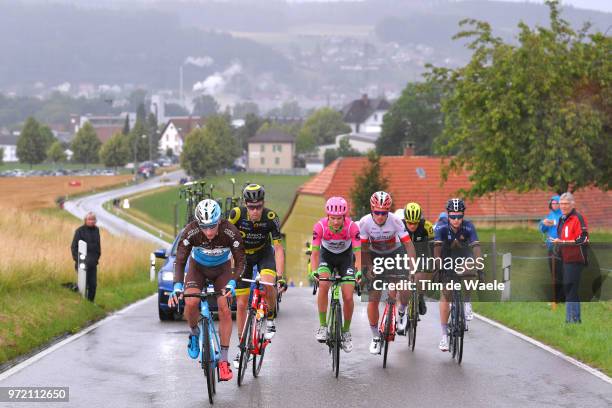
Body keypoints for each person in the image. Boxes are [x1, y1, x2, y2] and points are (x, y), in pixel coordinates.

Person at [169, 199, 245, 381]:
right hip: (198, 269)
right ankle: (194, 333)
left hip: (222, 270)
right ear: (198, 224)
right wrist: (178, 286)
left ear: (219, 221)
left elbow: (241, 260)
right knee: (191, 301)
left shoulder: (229, 231)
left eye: (212, 226)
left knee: (225, 309)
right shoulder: (191, 231)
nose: (209, 232)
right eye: (205, 227)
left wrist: (233, 283)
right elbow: (179, 261)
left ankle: (224, 361)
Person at [228, 184, 285, 368]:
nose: (255, 211)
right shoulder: (236, 215)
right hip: (242, 256)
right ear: (245, 204)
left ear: (263, 204)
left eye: (258, 206)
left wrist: (280, 276)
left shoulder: (271, 218)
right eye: (251, 207)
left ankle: (270, 318)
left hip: (263, 254)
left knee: (268, 283)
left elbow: (278, 249)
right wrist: (229, 275)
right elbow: (228, 245)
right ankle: (242, 347)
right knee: (242, 303)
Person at [360, 191, 416, 354]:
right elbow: (363, 248)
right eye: (377, 212)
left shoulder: (396, 221)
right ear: (372, 209)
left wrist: (413, 267)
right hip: (374, 255)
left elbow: (408, 246)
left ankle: (402, 311)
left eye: (384, 213)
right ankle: (375, 337)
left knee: (404, 285)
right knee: (373, 297)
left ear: (388, 211)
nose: (380, 216)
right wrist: (368, 268)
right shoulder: (364, 222)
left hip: (394, 253)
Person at [310, 196, 361, 353]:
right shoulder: (320, 227)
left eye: (339, 218)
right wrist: (314, 271)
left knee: (347, 295)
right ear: (328, 216)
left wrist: (359, 271)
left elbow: (358, 253)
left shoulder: (352, 227)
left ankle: (345, 331)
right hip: (326, 257)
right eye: (333, 218)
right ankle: (323, 326)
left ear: (344, 217)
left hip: (346, 259)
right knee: (324, 284)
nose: (336, 222)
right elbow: (315, 253)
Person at [433, 198, 483, 351]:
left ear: (463, 216)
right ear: (448, 215)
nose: (456, 220)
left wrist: (479, 266)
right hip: (446, 259)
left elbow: (476, 248)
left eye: (459, 216)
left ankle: (467, 302)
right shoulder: (441, 228)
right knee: (445, 294)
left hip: (463, 258)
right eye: (453, 216)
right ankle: (444, 336)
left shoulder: (468, 226)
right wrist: (438, 267)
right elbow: (437, 250)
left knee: (470, 268)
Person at [552, 192, 589, 323]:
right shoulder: (563, 219)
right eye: (561, 204)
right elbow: (563, 237)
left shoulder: (578, 218)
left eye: (566, 204)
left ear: (573, 204)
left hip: (575, 258)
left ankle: (572, 320)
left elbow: (584, 238)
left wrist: (563, 242)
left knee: (570, 289)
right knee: (569, 289)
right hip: (565, 258)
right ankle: (574, 320)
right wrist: (558, 242)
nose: (563, 206)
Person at [399, 202, 432, 329]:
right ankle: (402, 308)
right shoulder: (399, 226)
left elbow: (433, 247)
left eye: (415, 223)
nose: (412, 226)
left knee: (422, 276)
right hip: (403, 256)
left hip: (421, 255)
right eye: (409, 223)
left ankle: (421, 296)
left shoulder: (427, 227)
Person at [70, 212, 101, 302]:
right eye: (89, 219)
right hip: (82, 264)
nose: (91, 221)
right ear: (85, 220)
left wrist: (96, 259)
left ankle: (90, 303)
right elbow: (74, 247)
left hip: (93, 265)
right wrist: (79, 260)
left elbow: (98, 247)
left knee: (93, 285)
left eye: (93, 219)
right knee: (83, 284)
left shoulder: (96, 230)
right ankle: (82, 302)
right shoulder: (79, 231)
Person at [538, 195, 563, 303]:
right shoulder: (550, 214)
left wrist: (554, 223)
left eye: (556, 203)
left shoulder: (563, 215)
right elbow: (543, 229)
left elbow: (564, 224)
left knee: (560, 273)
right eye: (552, 203)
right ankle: (555, 298)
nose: (554, 205)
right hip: (550, 247)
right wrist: (543, 224)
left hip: (561, 247)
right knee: (553, 273)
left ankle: (560, 298)